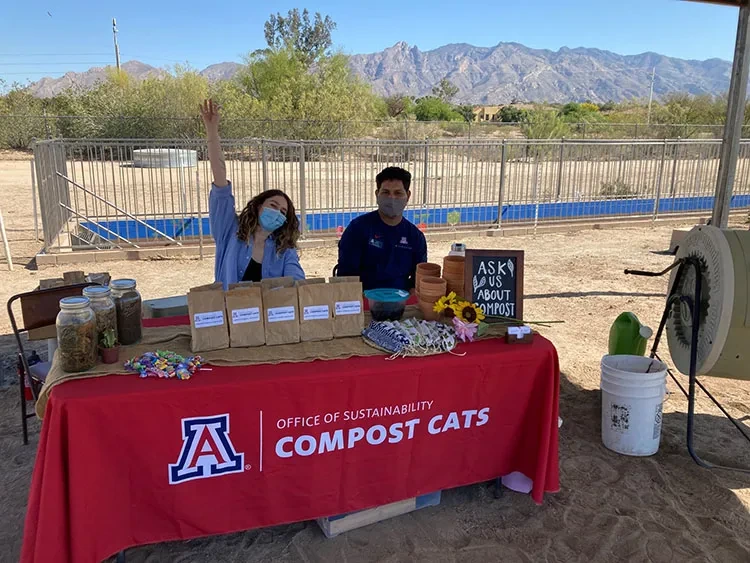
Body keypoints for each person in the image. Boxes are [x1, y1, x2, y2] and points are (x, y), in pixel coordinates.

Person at [200, 99, 305, 288]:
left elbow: (296, 280)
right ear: (258, 206)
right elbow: (220, 182)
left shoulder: (284, 250)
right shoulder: (229, 232)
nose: (277, 213)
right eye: (273, 205)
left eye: (282, 212)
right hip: (230, 313)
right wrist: (212, 132)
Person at [337, 166, 427, 291]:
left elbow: (418, 279)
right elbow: (346, 276)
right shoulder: (357, 229)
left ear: (408, 196)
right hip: (364, 301)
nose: (391, 198)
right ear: (377, 194)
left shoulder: (415, 236)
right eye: (385, 193)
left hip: (401, 303)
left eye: (398, 193)